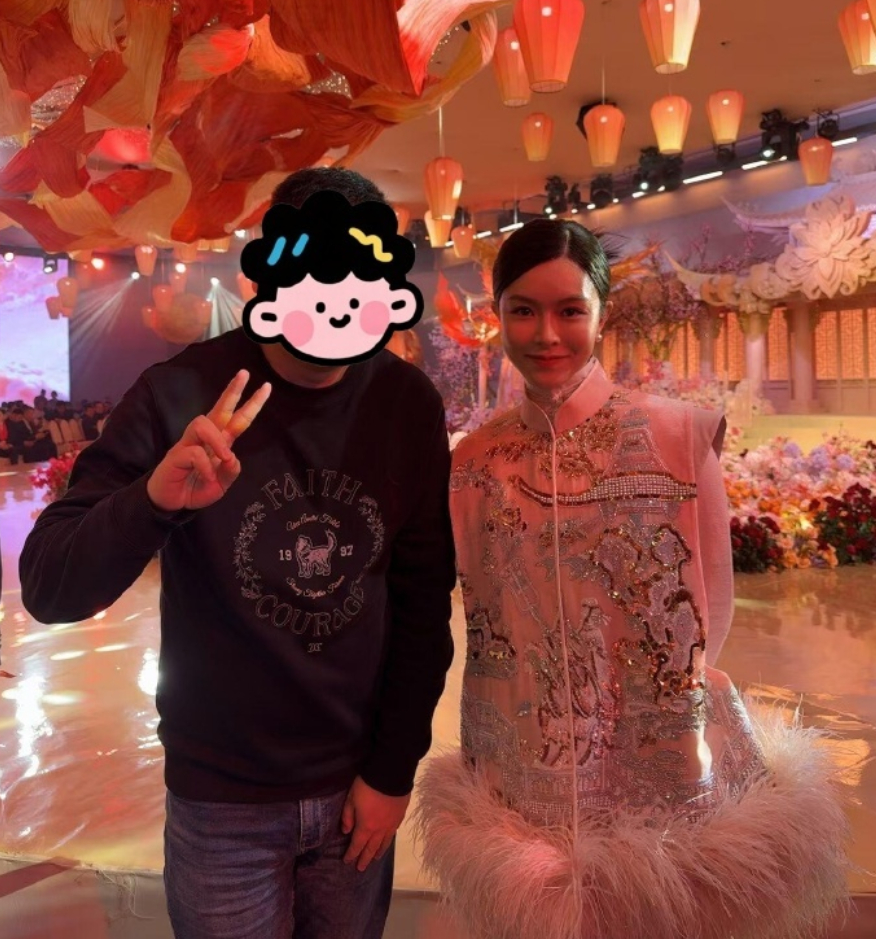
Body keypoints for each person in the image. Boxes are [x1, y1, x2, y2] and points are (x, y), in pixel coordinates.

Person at [19, 167, 456, 939]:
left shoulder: (404, 402)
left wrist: (393, 771)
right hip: (220, 796)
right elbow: (52, 585)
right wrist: (153, 499)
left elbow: (422, 602)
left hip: (355, 786)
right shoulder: (178, 393)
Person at [416, 219, 848, 939]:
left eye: (569, 310)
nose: (546, 334)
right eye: (523, 310)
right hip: (520, 769)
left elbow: (712, 605)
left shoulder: (679, 435)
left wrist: (655, 704)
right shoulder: (474, 463)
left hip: (655, 764)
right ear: (498, 315)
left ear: (601, 312)